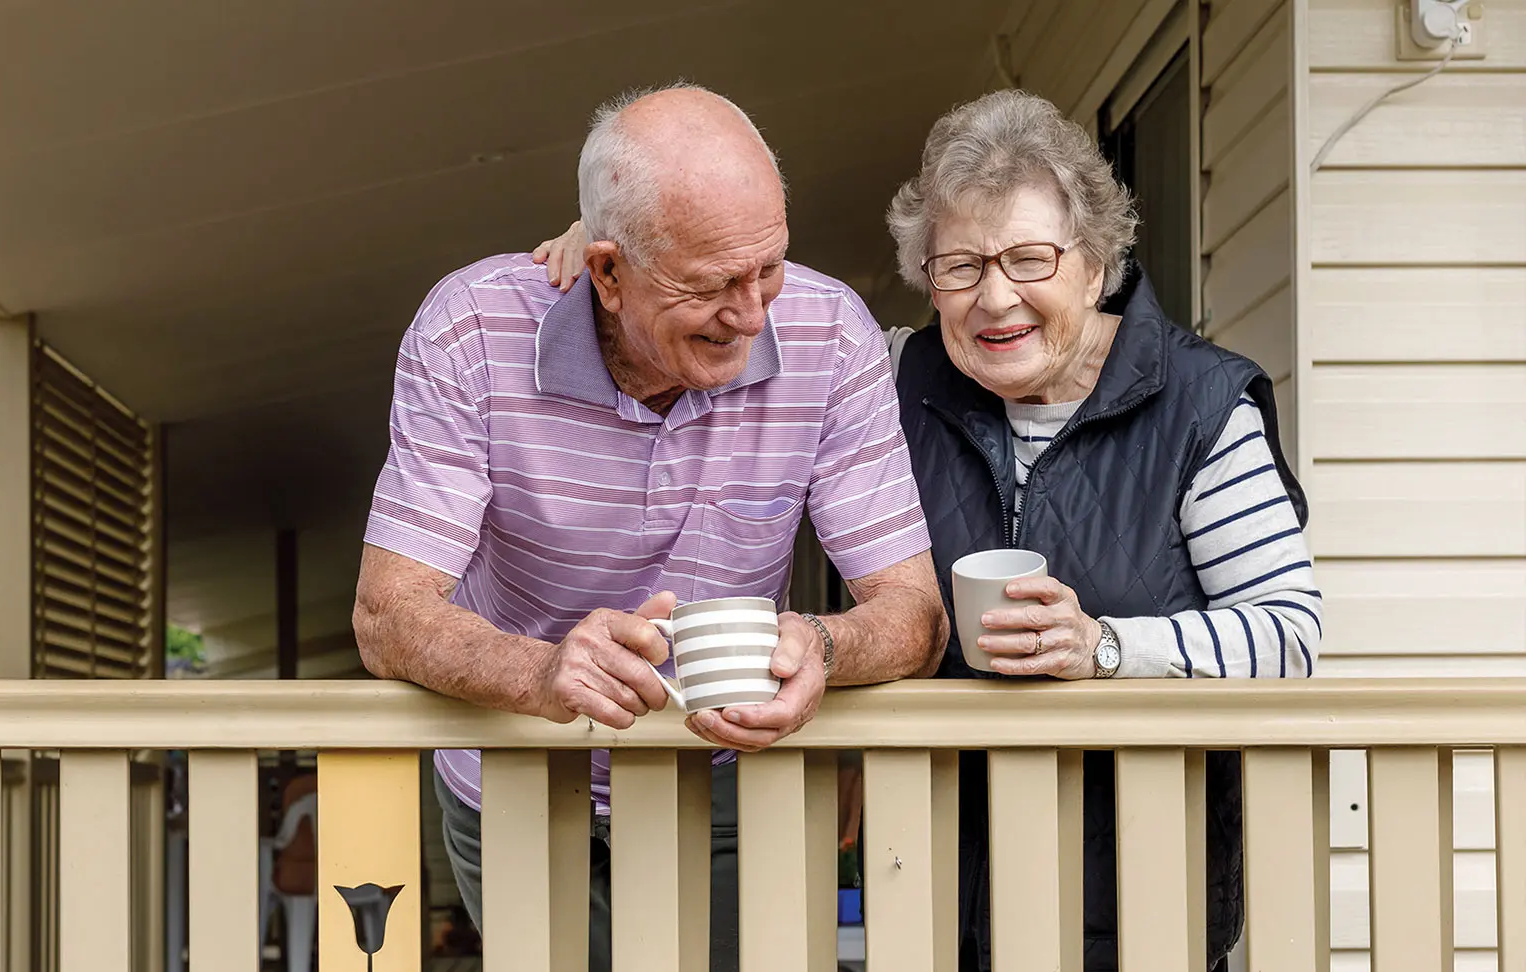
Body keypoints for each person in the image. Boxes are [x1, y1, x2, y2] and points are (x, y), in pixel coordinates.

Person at [530, 88, 1321, 971]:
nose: (995, 298)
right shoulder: (896, 374)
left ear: (1095, 264)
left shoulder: (1202, 406)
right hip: (928, 884)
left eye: (1029, 259)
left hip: (1138, 892)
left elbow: (1289, 636)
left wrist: (1102, 647)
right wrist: (616, 265)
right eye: (961, 267)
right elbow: (721, 280)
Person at [353, 83, 949, 972]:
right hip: (514, 771)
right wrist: (543, 671)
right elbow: (387, 615)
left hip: (726, 777)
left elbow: (915, 614)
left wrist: (824, 649)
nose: (753, 315)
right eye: (712, 286)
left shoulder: (829, 334)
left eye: (770, 269)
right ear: (606, 272)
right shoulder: (471, 329)